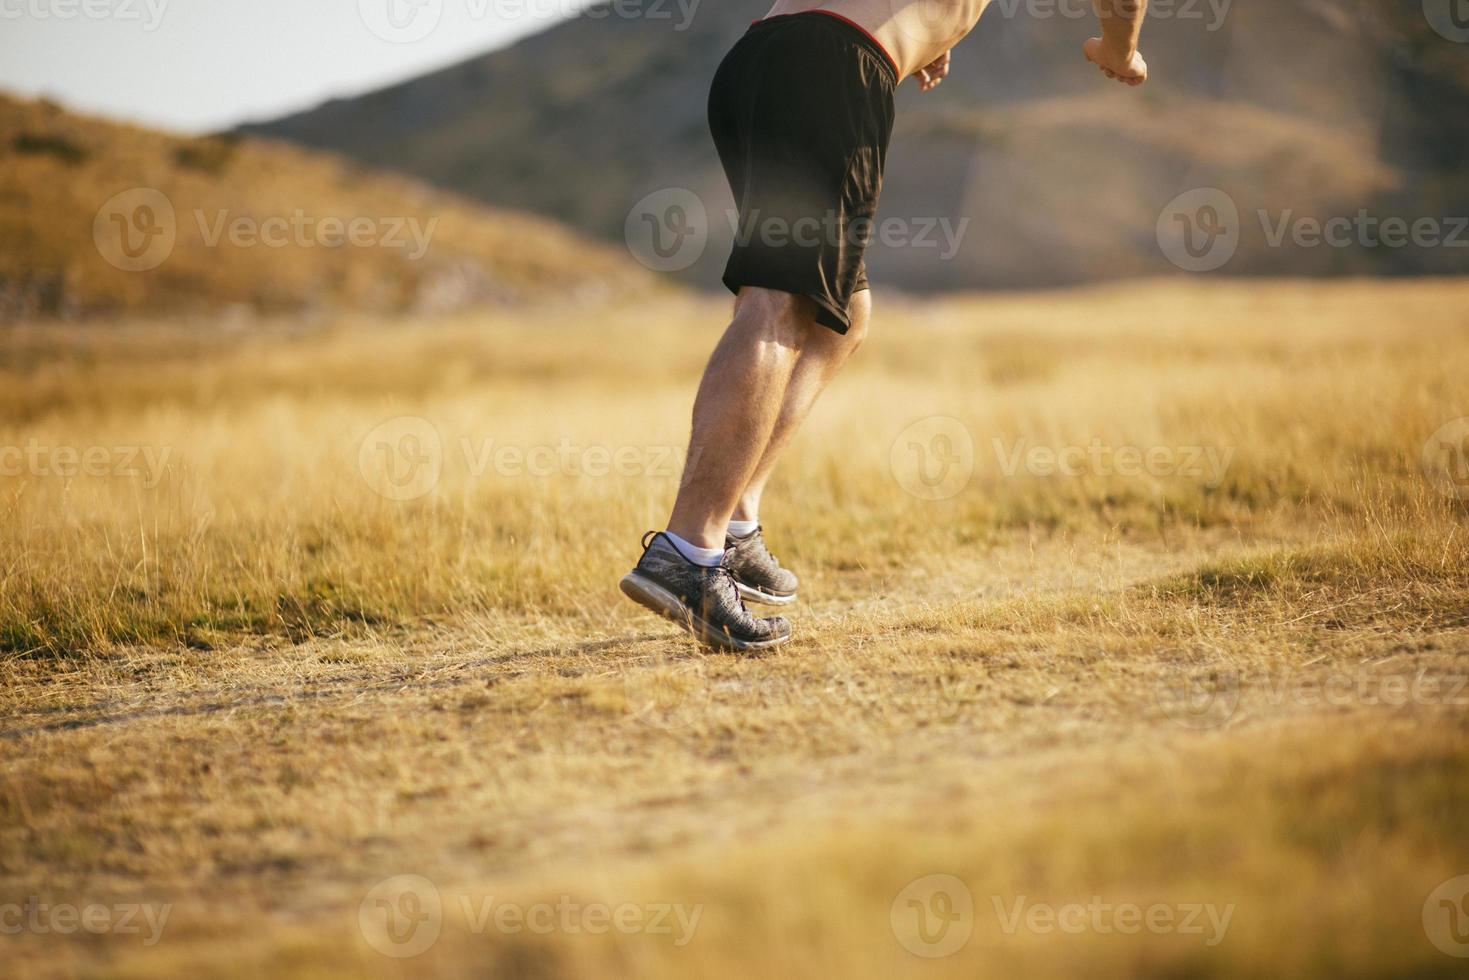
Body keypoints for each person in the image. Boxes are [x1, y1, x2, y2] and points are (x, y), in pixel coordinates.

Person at [621, 0, 1149, 651]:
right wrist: (1118, 49)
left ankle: (732, 520)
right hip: (831, 64)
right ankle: (688, 551)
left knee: (842, 312)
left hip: (765, 58)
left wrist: (926, 29)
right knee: (781, 296)